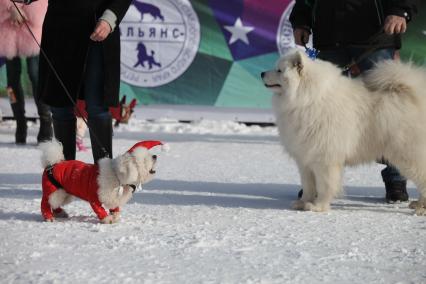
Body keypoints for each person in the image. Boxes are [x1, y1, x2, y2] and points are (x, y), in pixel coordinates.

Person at [289, 0, 418, 202]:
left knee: (391, 116)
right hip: (329, 39)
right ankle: (317, 185)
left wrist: (400, 10)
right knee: (320, 121)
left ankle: (396, 180)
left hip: (374, 36)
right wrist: (301, 21)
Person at [22, 0, 133, 163]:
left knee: (97, 105)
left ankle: (104, 175)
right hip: (59, 30)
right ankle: (65, 175)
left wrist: (110, 18)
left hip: (98, 26)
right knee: (60, 105)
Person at [0, 0, 52, 144]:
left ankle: (46, 121)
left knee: (36, 76)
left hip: (32, 26)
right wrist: (10, 7)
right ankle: (19, 122)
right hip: (6, 27)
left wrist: (28, 12)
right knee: (11, 83)